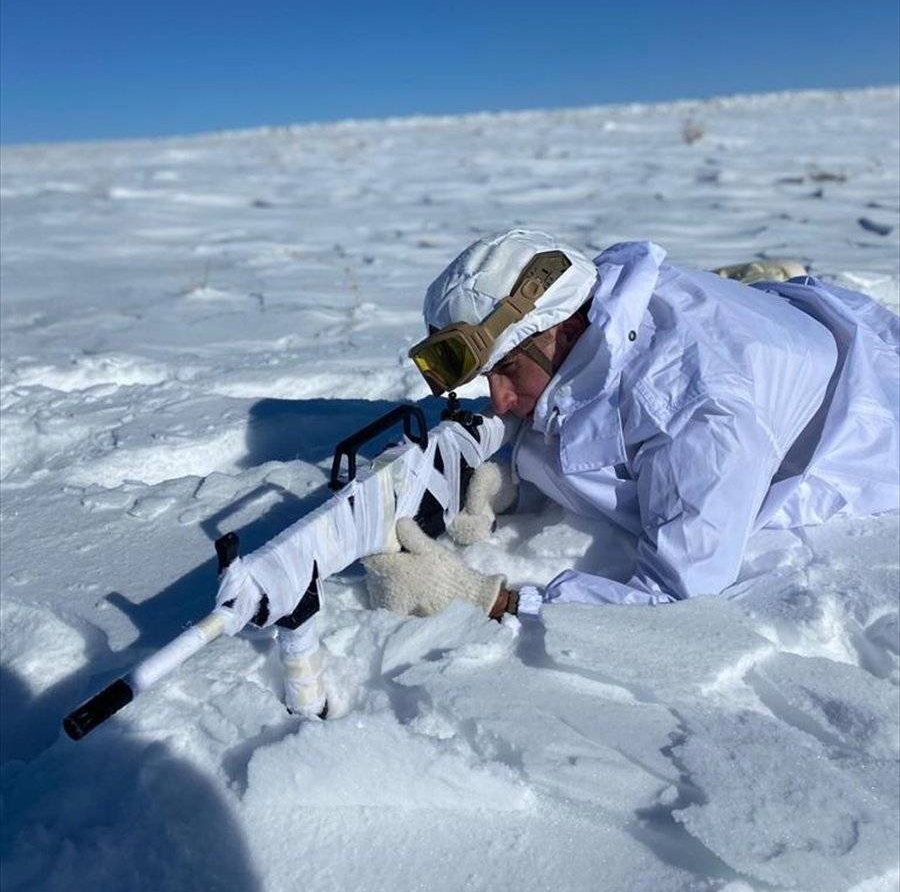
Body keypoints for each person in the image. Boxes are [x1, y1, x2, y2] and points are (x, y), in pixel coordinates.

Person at [364, 231, 900, 620]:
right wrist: (513, 476)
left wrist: (486, 600)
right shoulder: (595, 299)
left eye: (505, 370)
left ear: (567, 327)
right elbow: (585, 407)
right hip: (792, 317)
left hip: (872, 407)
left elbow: (675, 598)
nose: (499, 402)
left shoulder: (700, 418)